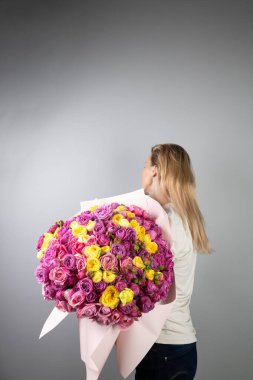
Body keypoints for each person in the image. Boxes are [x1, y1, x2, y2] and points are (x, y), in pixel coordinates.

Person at [135, 143, 213, 380]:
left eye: (145, 165)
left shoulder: (165, 223)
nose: (142, 171)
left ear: (156, 171)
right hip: (180, 346)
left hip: (163, 349)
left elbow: (160, 292)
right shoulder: (182, 217)